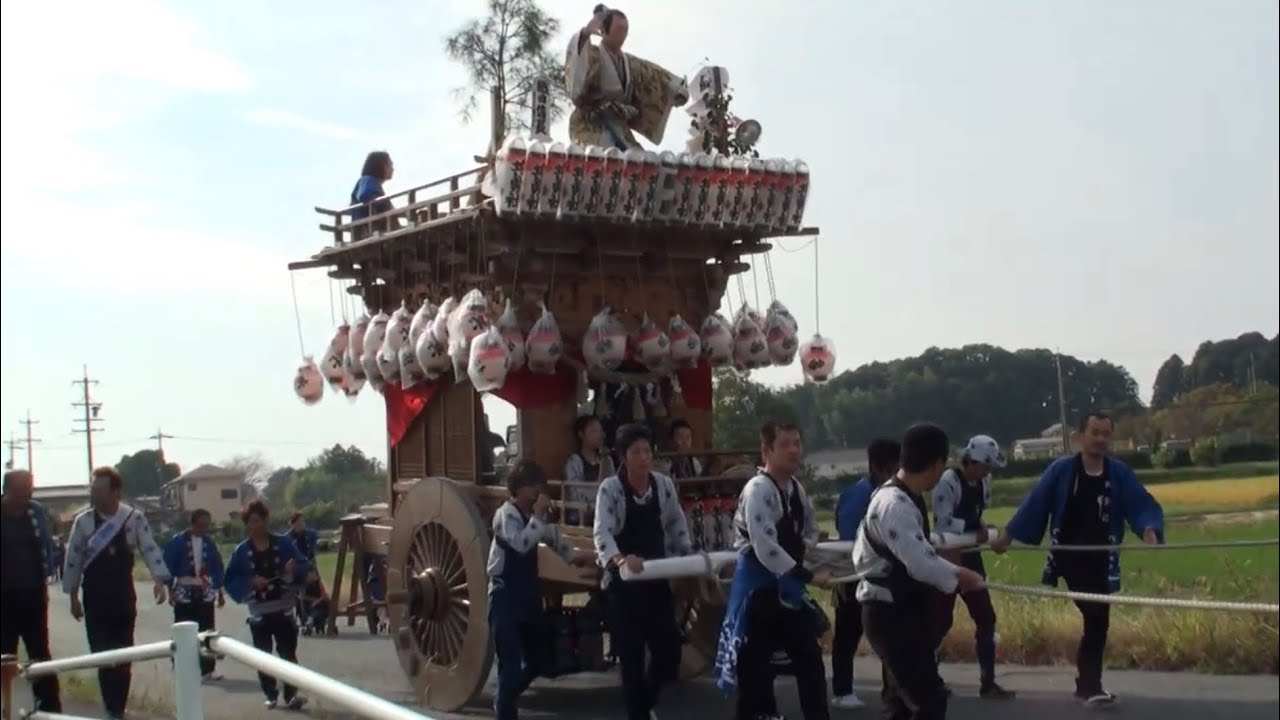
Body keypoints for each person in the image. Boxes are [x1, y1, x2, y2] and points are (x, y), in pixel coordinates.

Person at [1001, 411, 1164, 707]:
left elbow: (1139, 503)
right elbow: (1034, 503)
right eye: (1095, 432)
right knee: (1096, 615)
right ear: (1080, 436)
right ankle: (1089, 685)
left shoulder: (1118, 473)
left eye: (1106, 434)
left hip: (1102, 558)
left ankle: (1088, 685)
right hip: (1070, 557)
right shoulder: (1062, 470)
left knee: (1099, 621)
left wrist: (1149, 528)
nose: (1101, 439)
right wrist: (1008, 535)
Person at [853, 423, 986, 720]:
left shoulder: (905, 497)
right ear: (937, 463)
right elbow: (921, 562)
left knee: (900, 704)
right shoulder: (893, 503)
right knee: (928, 702)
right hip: (889, 614)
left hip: (904, 609)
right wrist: (964, 576)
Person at [715, 422, 831, 720]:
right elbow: (765, 547)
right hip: (758, 592)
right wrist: (807, 575)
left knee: (810, 661)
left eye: (797, 442)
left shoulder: (796, 489)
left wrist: (806, 556)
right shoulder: (758, 489)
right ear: (766, 451)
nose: (794, 450)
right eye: (785, 444)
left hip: (787, 589)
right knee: (755, 674)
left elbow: (811, 529)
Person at [593, 423, 693, 720]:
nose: (643, 457)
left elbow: (676, 524)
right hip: (624, 586)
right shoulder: (610, 489)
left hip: (657, 579)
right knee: (632, 661)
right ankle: (638, 712)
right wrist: (620, 560)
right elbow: (602, 533)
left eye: (647, 451)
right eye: (636, 451)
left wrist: (687, 553)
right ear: (624, 456)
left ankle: (646, 702)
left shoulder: (662, 485)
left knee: (668, 654)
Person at [488, 460, 597, 720]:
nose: (538, 492)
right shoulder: (506, 515)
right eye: (533, 487)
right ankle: (505, 709)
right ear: (520, 489)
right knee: (510, 666)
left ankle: (506, 696)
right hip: (505, 597)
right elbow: (521, 544)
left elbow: (556, 542)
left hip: (529, 596)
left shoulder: (537, 518)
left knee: (539, 661)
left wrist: (581, 559)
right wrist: (537, 517)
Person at [62, 467, 171, 720]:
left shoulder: (133, 518)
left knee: (124, 653)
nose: (95, 494)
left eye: (100, 490)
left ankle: (118, 707)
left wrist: (158, 580)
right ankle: (111, 706)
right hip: (94, 596)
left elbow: (150, 549)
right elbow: (73, 559)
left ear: (115, 491)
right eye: (93, 489)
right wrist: (73, 596)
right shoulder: (84, 521)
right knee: (102, 653)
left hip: (123, 594)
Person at [930, 435, 1016, 700]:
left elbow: (978, 516)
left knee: (986, 617)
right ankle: (927, 678)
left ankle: (988, 682)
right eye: (985, 466)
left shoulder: (984, 482)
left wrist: (985, 531)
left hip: (972, 556)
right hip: (946, 556)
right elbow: (943, 521)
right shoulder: (947, 482)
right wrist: (974, 528)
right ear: (972, 461)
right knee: (940, 621)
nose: (988, 472)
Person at [829, 437, 901, 710]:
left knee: (888, 636)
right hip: (851, 576)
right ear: (879, 469)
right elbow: (850, 539)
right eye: (894, 470)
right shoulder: (858, 496)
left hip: (880, 574)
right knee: (847, 637)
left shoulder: (887, 493)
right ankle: (842, 690)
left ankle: (892, 691)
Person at [224, 500, 311, 710]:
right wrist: (251, 582)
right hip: (259, 613)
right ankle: (270, 694)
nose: (258, 525)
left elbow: (303, 566)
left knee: (288, 654)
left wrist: (292, 571)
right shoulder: (241, 551)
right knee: (263, 656)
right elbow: (231, 579)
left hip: (284, 608)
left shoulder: (283, 543)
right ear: (247, 524)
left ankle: (291, 695)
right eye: (252, 521)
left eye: (260, 520)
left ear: (266, 520)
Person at [564, 5, 689, 150]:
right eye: (619, 28)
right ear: (603, 31)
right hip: (590, 125)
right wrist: (585, 35)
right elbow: (578, 67)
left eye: (626, 29)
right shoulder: (593, 55)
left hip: (619, 126)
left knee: (641, 162)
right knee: (601, 157)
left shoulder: (630, 64)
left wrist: (675, 89)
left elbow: (653, 75)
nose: (623, 33)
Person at [1, 469, 63, 713]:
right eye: (22, 488)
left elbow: (46, 545)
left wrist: (45, 578)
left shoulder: (35, 512)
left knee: (40, 650)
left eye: (29, 487)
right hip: (3, 597)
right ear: (7, 489)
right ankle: (6, 708)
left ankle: (49, 707)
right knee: (5, 655)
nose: (27, 492)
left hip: (33, 593)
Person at [163, 508, 226, 681]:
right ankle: (181, 665)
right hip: (184, 588)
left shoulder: (209, 543)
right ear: (193, 523)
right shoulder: (177, 542)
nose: (203, 528)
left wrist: (220, 592)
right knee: (183, 628)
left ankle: (208, 669)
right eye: (200, 524)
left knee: (207, 628)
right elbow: (168, 567)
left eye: (206, 525)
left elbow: (217, 567)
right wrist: (170, 591)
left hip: (205, 588)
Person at [564, 415, 615, 527]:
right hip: (581, 517)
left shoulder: (607, 460)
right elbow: (576, 494)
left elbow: (613, 487)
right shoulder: (575, 461)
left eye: (601, 431)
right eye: (594, 431)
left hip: (606, 515)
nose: (599, 435)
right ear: (581, 434)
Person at [350, 150, 397, 238]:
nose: (392, 169)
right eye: (390, 165)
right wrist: (383, 204)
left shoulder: (374, 183)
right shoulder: (368, 180)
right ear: (381, 166)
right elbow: (364, 195)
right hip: (367, 230)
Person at [299, 569, 331, 637]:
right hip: (309, 605)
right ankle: (309, 622)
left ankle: (313, 621)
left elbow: (324, 595)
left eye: (314, 575)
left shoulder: (319, 583)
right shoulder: (304, 585)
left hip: (320, 605)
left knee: (320, 607)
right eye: (310, 575)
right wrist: (314, 600)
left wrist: (318, 600)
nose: (312, 577)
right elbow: (302, 597)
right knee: (311, 608)